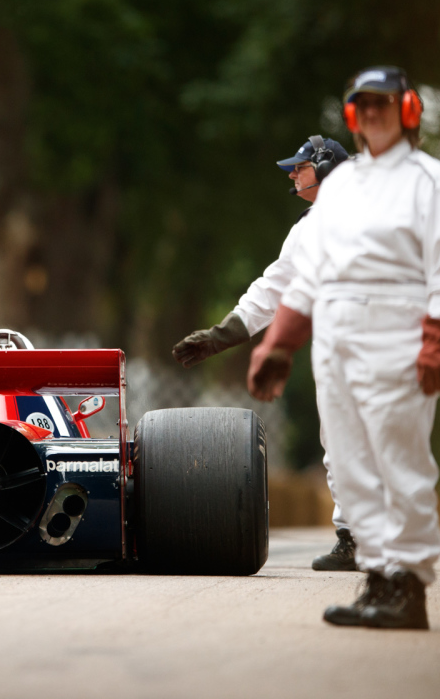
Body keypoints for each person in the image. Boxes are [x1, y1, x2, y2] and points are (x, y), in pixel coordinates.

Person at [248, 66, 440, 630]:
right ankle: (377, 576)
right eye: (361, 105)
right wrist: (279, 343)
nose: (371, 114)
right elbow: (308, 276)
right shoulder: (343, 188)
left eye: (382, 103)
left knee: (399, 462)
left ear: (408, 110)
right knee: (348, 466)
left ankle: (409, 585)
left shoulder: (434, 182)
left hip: (399, 335)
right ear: (352, 117)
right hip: (338, 339)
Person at [172, 135, 359, 571]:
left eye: (300, 167)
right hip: (345, 343)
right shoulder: (311, 226)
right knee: (341, 441)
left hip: (374, 340)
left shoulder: (364, 215)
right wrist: (220, 336)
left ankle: (376, 541)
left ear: (327, 169)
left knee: (367, 438)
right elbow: (272, 289)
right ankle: (358, 537)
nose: (293, 174)